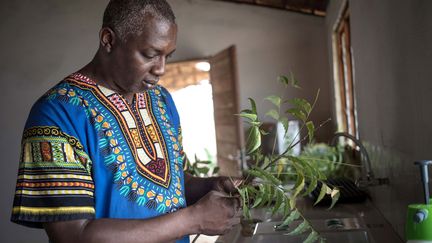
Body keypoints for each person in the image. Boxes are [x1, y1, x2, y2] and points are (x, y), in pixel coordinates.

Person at [11, 1, 241, 242]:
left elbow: (174, 184)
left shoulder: (162, 101)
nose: (162, 69)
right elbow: (72, 236)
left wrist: (211, 186)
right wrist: (193, 220)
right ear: (108, 39)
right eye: (150, 54)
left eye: (167, 55)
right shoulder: (55, 115)